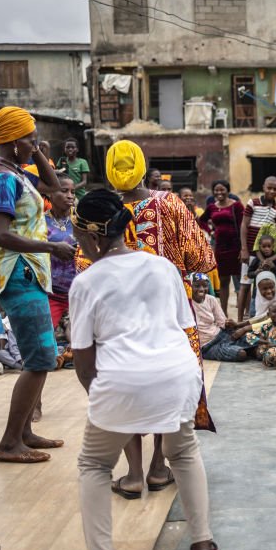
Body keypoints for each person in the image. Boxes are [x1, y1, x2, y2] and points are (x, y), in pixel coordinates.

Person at [68, 189, 216, 550]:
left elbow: (84, 364)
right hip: (178, 372)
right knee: (183, 452)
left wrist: (108, 406)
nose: (77, 244)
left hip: (120, 379)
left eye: (79, 237)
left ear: (95, 237)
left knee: (95, 464)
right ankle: (202, 543)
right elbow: (185, 328)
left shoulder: (86, 282)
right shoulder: (163, 268)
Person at [100, 139, 217, 496]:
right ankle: (157, 467)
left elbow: (84, 262)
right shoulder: (169, 203)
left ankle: (133, 475)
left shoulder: (103, 210)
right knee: (168, 384)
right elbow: (201, 259)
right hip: (172, 311)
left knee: (129, 387)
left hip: (121, 316)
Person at [0, 106, 71, 463]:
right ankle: (9, 443)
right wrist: (51, 246)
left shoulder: (15, 172)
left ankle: (25, 433)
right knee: (39, 359)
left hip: (28, 273)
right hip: (17, 273)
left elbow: (51, 186)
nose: (36, 146)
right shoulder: (4, 179)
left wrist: (33, 149)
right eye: (30, 139)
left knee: (42, 356)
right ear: (14, 141)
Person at [198, 180, 244, 315]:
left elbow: (242, 226)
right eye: (216, 190)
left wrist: (243, 249)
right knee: (223, 281)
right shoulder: (212, 207)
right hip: (220, 248)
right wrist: (211, 231)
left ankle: (241, 314)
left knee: (241, 282)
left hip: (236, 247)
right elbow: (201, 220)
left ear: (228, 190)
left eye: (222, 189)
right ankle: (224, 314)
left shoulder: (236, 206)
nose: (219, 192)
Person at [191, 274, 251, 362]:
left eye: (204, 286)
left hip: (221, 335)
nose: (201, 289)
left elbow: (222, 322)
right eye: (196, 286)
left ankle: (252, 349)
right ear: (189, 286)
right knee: (241, 354)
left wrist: (230, 324)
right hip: (206, 346)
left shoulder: (211, 299)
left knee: (252, 339)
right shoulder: (187, 303)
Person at [45, 176, 76, 330]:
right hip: (51, 293)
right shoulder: (40, 221)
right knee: (46, 336)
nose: (70, 196)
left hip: (79, 292)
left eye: (72, 192)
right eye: (64, 191)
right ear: (51, 193)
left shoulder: (82, 221)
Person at [239, 175, 276, 272]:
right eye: (269, 188)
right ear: (263, 187)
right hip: (249, 251)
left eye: (275, 189)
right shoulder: (253, 203)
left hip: (264, 254)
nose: (272, 191)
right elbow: (244, 225)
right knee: (245, 284)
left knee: (262, 282)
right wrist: (244, 249)